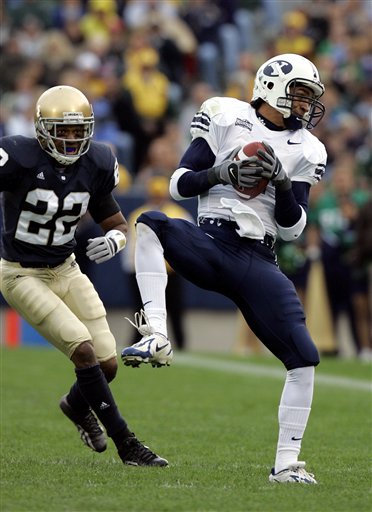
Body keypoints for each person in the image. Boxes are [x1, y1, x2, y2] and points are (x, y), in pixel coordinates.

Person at [121, 53, 328, 483]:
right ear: (271, 88)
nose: (307, 105)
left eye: (310, 97)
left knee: (304, 357)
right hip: (212, 241)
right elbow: (179, 183)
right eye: (301, 94)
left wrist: (284, 184)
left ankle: (287, 465)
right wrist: (221, 172)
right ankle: (158, 333)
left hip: (259, 258)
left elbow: (293, 229)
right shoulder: (224, 114)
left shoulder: (308, 148)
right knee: (153, 225)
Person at [0, 85, 167, 467]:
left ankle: (75, 406)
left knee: (107, 363)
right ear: (42, 129)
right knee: (83, 350)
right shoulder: (18, 156)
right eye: (65, 130)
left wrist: (115, 239)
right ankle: (128, 444)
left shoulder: (98, 161)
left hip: (66, 268)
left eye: (79, 130)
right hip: (21, 274)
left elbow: (115, 220)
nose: (72, 138)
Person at [121, 175, 193, 350]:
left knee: (175, 312)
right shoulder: (138, 214)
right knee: (142, 312)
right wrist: (132, 270)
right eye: (155, 194)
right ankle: (138, 344)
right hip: (145, 273)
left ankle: (180, 345)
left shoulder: (178, 214)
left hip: (171, 272)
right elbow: (131, 246)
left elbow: (188, 246)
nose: (158, 198)